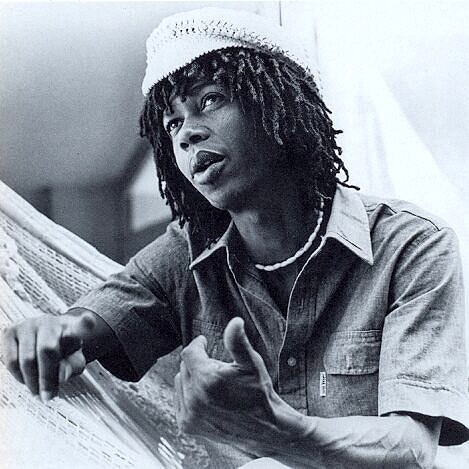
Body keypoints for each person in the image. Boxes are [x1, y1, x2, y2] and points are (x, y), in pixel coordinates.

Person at [2, 7, 469, 468]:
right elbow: (89, 324)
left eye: (209, 99)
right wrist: (53, 332)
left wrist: (279, 431)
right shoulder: (184, 254)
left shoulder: (412, 245)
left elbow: (412, 447)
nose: (186, 135)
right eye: (172, 124)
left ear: (281, 107)